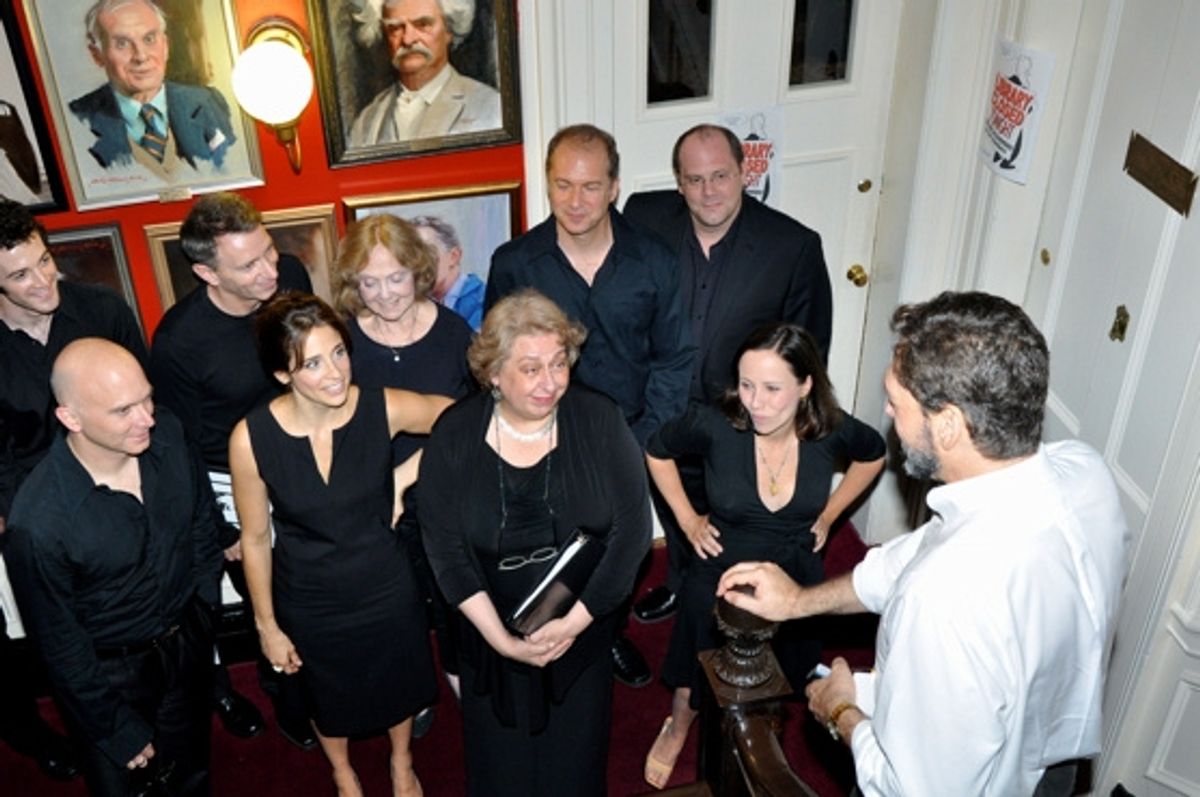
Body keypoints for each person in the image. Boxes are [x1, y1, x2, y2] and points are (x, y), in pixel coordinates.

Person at [718, 291, 1132, 796]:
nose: (888, 413)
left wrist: (842, 711)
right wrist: (799, 601)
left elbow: (909, 787)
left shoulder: (941, 601)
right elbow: (908, 559)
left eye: (897, 400)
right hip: (1055, 753)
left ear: (950, 425)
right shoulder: (1085, 472)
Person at [418, 289, 651, 796]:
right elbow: (445, 551)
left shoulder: (600, 420)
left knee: (575, 768)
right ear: (493, 373)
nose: (550, 383)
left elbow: (632, 535)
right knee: (501, 773)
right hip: (489, 635)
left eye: (558, 363)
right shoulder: (453, 436)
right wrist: (500, 641)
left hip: (581, 631)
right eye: (530, 369)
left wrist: (574, 623)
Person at [486, 123, 693, 687]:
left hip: (631, 432)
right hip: (541, 435)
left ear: (614, 187)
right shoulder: (515, 262)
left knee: (622, 553)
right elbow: (496, 360)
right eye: (563, 186)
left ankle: (611, 635)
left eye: (590, 187)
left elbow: (676, 358)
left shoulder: (655, 260)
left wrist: (647, 437)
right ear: (547, 185)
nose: (575, 202)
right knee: (550, 550)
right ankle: (551, 638)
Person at [642, 323, 885, 789]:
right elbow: (657, 451)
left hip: (793, 564)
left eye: (773, 389)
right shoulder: (716, 422)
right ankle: (679, 722)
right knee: (696, 641)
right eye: (747, 384)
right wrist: (689, 520)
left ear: (806, 385)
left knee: (785, 667)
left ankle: (764, 727)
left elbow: (873, 454)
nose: (755, 402)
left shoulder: (828, 428)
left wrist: (831, 515)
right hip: (722, 557)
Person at [230, 293, 451, 797]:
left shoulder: (383, 406)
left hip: (385, 585)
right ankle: (343, 772)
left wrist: (404, 477)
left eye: (338, 353)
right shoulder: (251, 438)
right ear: (282, 374)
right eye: (311, 363)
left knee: (396, 683)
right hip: (308, 597)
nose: (334, 373)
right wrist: (267, 627)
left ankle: (401, 761)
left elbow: (458, 417)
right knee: (325, 693)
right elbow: (256, 537)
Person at [625, 123, 834, 627]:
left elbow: (809, 343)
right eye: (694, 180)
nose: (708, 191)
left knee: (733, 522)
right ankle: (678, 581)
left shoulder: (793, 246)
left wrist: (779, 421)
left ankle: (737, 592)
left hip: (741, 419)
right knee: (677, 511)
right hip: (663, 412)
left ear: (744, 173)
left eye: (720, 176)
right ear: (678, 182)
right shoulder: (642, 218)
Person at [7, 338, 222, 796]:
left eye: (147, 399)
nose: (146, 418)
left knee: (192, 775)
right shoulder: (39, 522)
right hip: (111, 677)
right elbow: (59, 642)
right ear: (71, 418)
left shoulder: (169, 433)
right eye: (123, 410)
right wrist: (112, 726)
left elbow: (202, 520)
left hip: (187, 640)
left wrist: (205, 608)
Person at [149, 191, 314, 748]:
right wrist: (222, 531)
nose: (271, 270)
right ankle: (290, 699)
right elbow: (179, 447)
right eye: (248, 265)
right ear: (205, 272)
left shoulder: (289, 274)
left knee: (321, 578)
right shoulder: (178, 343)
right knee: (269, 599)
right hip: (229, 481)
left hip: (300, 452)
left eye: (268, 251)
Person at [0, 197, 149, 783]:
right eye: (18, 275)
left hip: (121, 482)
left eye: (43, 261)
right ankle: (80, 736)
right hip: (35, 517)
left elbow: (144, 402)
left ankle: (208, 688)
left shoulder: (102, 309)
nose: (42, 281)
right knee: (64, 640)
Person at [331, 213, 474, 725]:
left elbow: (469, 425)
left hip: (445, 493)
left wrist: (407, 473)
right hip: (372, 503)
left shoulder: (454, 333)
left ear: (417, 272)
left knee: (456, 598)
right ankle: (414, 692)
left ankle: (461, 675)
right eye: (369, 282)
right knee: (397, 609)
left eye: (395, 278)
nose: (385, 294)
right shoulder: (342, 343)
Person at [68, 0, 237, 175]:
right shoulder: (76, 122)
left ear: (165, 46)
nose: (141, 56)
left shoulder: (208, 102)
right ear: (97, 55)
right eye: (122, 44)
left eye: (149, 39)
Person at [348, 0, 502, 146]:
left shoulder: (489, 105)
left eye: (423, 25)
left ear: (449, 30)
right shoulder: (367, 120)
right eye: (395, 28)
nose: (408, 40)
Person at [412, 214, 485, 330]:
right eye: (412, 255)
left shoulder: (482, 302)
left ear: (454, 256)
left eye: (428, 252)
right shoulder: (413, 305)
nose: (418, 263)